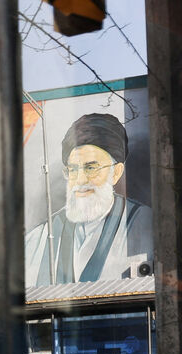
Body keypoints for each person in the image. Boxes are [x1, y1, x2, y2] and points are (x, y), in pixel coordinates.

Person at [25, 112, 153, 286]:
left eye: (91, 168)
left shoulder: (146, 224)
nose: (80, 180)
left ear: (116, 172)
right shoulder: (38, 239)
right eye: (73, 170)